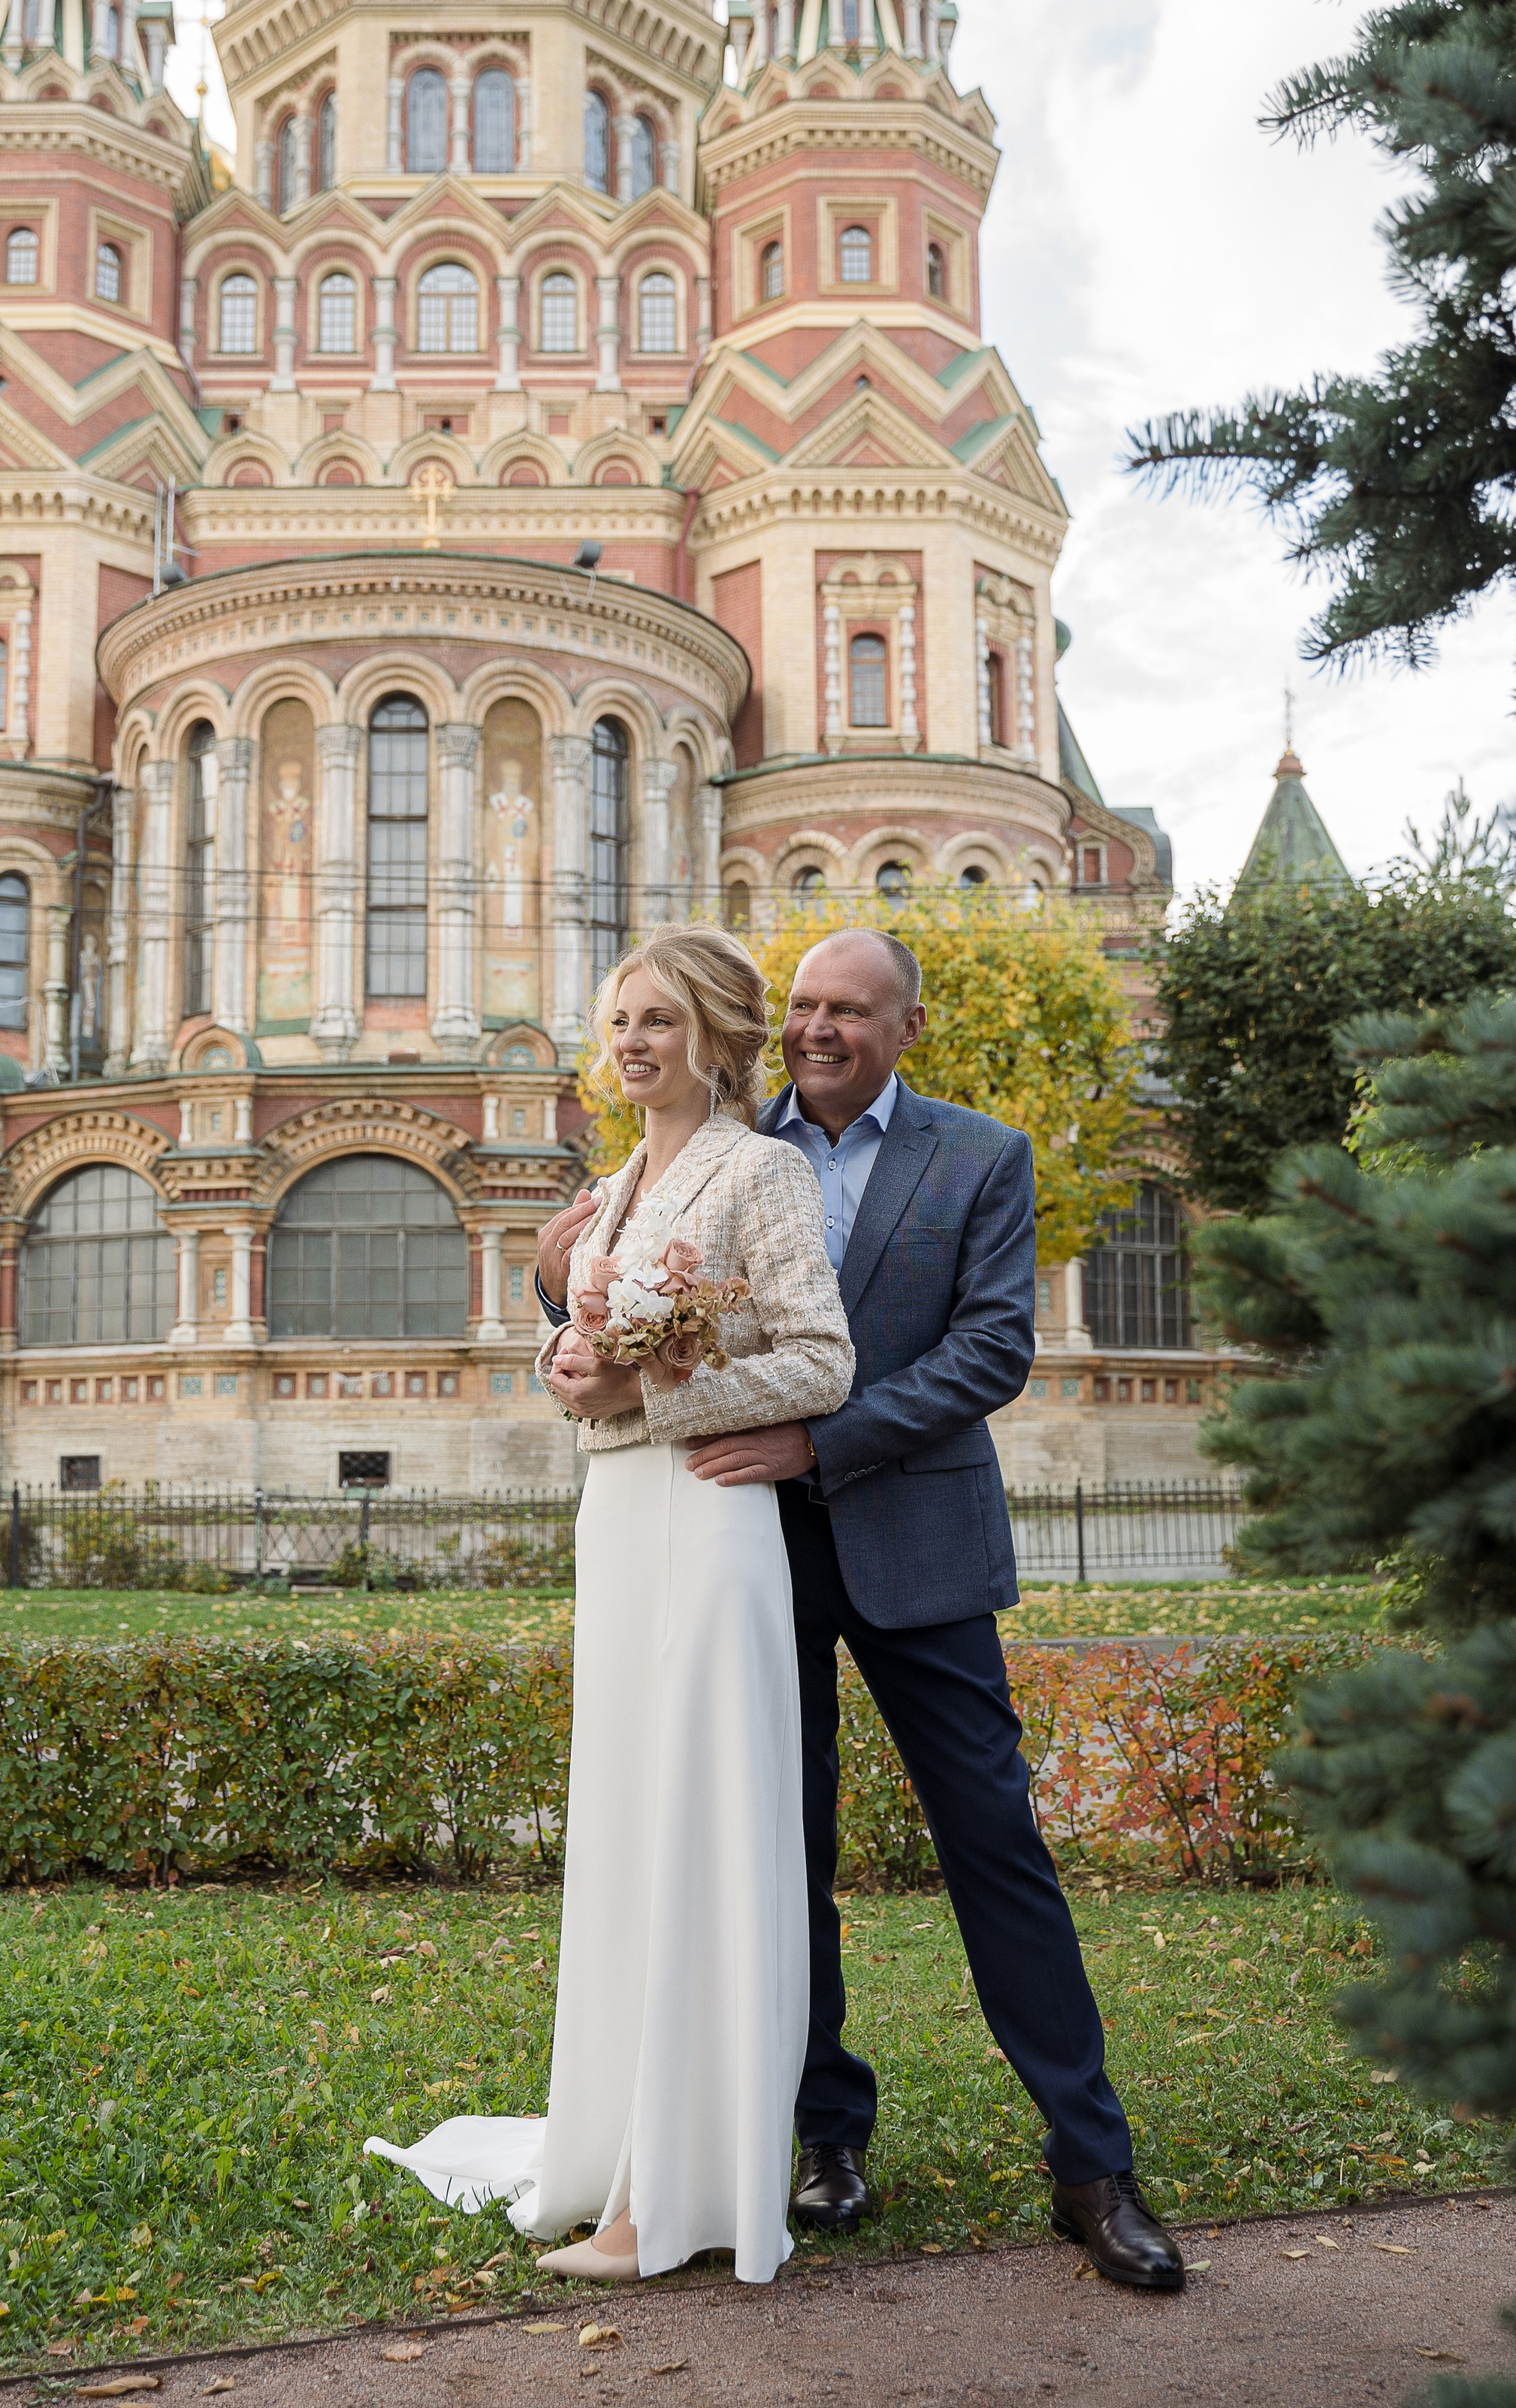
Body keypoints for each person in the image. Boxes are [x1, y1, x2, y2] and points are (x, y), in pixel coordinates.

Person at [536, 926, 1185, 2297]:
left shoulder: (979, 1156)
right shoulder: (712, 1142)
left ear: (909, 1025)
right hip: (746, 1545)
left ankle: (1092, 2167)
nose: (820, 1029)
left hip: (914, 1540)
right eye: (807, 1007)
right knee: (781, 1848)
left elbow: (991, 1347)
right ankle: (827, 2138)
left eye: (851, 1010)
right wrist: (566, 1302)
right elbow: (606, 1281)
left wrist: (823, 1444)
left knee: (995, 1845)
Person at [367, 925, 854, 2285]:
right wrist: (567, 1364)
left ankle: (667, 2196)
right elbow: (584, 1348)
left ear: (713, 1032)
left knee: (701, 1831)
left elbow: (823, 1358)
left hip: (709, 1517)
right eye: (619, 1022)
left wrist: (657, 1393)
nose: (631, 1044)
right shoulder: (614, 1184)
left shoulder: (760, 1173)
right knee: (632, 1829)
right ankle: (613, 2143)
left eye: (656, 1019)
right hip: (621, 1519)